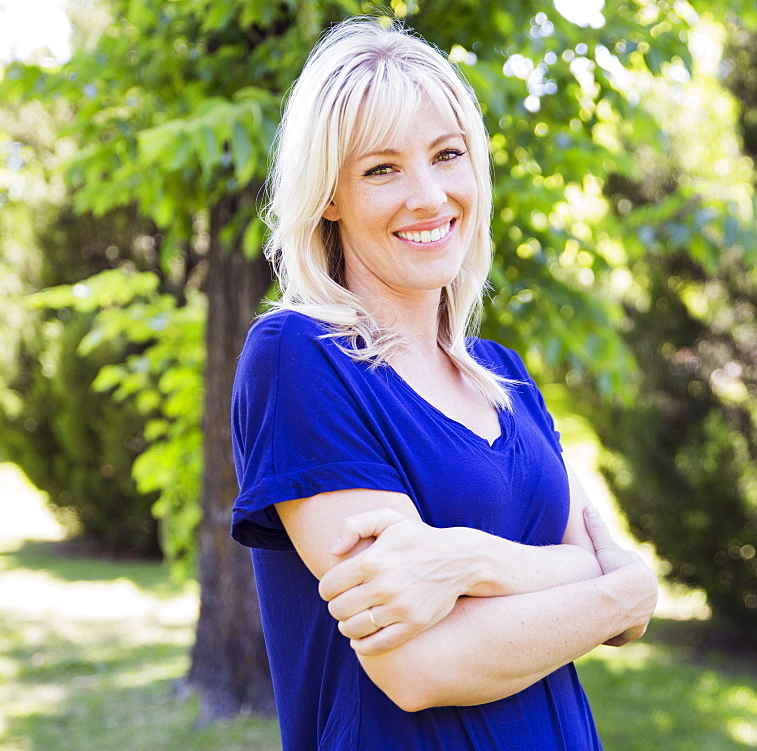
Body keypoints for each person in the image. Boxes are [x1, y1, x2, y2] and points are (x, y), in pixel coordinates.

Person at [230, 17, 658, 751]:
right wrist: (616, 588)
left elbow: (624, 598)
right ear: (329, 196)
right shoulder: (298, 357)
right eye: (382, 168)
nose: (429, 197)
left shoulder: (506, 380)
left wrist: (466, 560)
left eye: (447, 155)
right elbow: (422, 663)